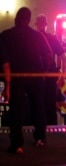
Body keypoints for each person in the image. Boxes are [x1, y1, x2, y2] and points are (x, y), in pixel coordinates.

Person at [0, 7, 52, 154]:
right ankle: (40, 139)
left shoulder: (6, 35)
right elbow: (49, 55)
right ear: (29, 20)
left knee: (16, 110)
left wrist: (7, 84)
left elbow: (5, 63)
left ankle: (17, 145)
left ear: (16, 18)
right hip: (35, 76)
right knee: (38, 107)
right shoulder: (37, 36)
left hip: (17, 77)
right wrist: (43, 72)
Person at [35, 14, 66, 125]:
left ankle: (39, 131)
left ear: (36, 25)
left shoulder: (31, 39)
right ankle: (52, 131)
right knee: (50, 105)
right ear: (46, 25)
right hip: (50, 76)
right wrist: (63, 77)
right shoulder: (52, 38)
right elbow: (65, 59)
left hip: (36, 77)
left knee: (36, 105)